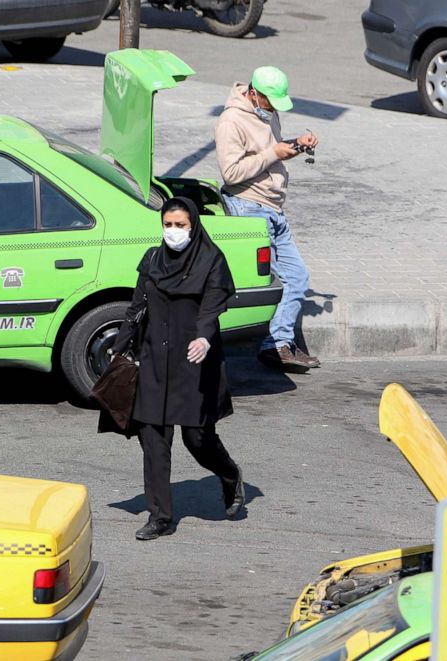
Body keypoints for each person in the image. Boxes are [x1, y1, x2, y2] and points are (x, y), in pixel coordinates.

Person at [110, 197, 245, 541]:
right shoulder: (154, 259)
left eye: (180, 225)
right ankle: (160, 517)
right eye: (167, 225)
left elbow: (211, 308)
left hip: (195, 363)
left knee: (197, 438)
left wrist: (203, 339)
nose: (173, 232)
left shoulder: (211, 260)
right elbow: (137, 306)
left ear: (193, 225)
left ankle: (229, 475)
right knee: (153, 438)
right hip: (154, 359)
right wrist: (120, 345)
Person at [214, 65, 320, 374]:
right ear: (254, 94)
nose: (273, 109)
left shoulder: (267, 113)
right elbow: (231, 173)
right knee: (282, 278)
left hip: (274, 207)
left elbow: (270, 151)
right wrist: (274, 152)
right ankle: (277, 344)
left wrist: (296, 145)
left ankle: (278, 344)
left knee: (297, 276)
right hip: (249, 206)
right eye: (270, 102)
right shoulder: (230, 121)